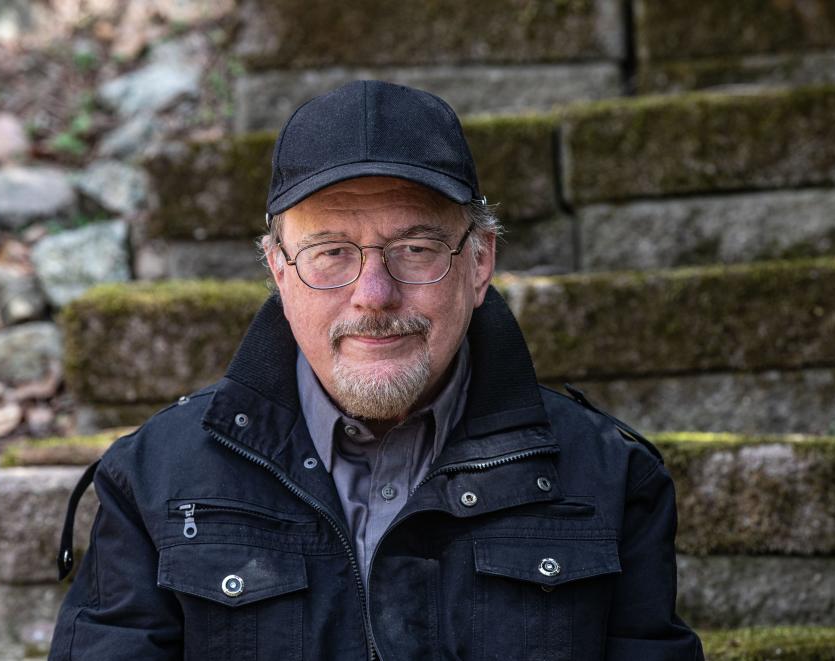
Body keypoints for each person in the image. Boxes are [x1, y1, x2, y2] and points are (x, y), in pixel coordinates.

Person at [49, 80, 704, 660]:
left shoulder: (612, 480)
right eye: (331, 251)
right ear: (280, 271)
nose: (373, 295)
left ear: (479, 265)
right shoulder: (153, 481)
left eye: (415, 248)